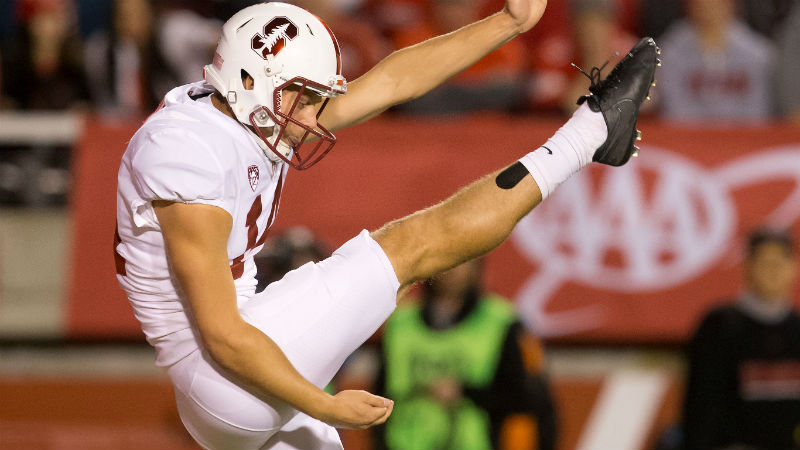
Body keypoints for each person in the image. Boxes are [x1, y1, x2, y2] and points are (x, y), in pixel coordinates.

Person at [113, 1, 659, 448]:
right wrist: (325, 403)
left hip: (232, 374)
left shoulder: (245, 108)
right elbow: (222, 334)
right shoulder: (186, 152)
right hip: (225, 370)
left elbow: (391, 83)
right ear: (249, 81)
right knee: (411, 246)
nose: (312, 116)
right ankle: (590, 133)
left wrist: (509, 22)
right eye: (301, 99)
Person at [376, 259, 557, 450]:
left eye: (464, 259)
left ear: (476, 266)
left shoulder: (501, 322)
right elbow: (377, 395)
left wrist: (466, 392)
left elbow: (527, 399)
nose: (454, 268)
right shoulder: (400, 325)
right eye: (449, 257)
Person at [681, 228, 800, 450]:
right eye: (765, 263)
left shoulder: (797, 331)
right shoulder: (720, 328)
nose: (773, 271)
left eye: (780, 262)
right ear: (748, 267)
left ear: (794, 268)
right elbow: (701, 409)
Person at [655, 0, 776, 123]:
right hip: (688, 138)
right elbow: (676, 111)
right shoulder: (670, 52)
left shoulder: (758, 54)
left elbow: (757, 112)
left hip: (744, 137)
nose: (709, 7)